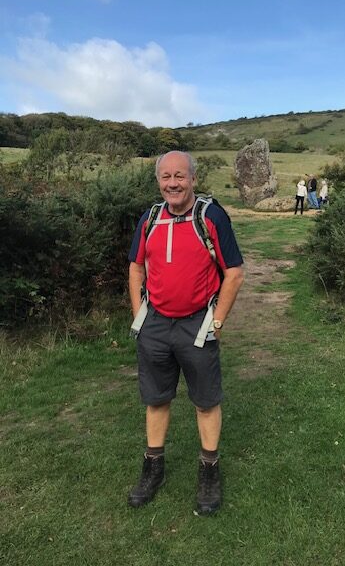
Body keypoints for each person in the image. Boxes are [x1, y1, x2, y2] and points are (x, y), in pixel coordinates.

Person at [127, 151, 244, 514]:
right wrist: (140, 318)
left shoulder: (211, 217)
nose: (172, 183)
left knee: (206, 401)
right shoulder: (150, 218)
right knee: (156, 398)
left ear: (193, 179)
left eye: (180, 175)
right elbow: (135, 269)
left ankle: (209, 471)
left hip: (197, 325)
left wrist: (218, 322)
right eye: (166, 176)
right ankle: (153, 469)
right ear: (158, 181)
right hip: (156, 325)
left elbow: (234, 273)